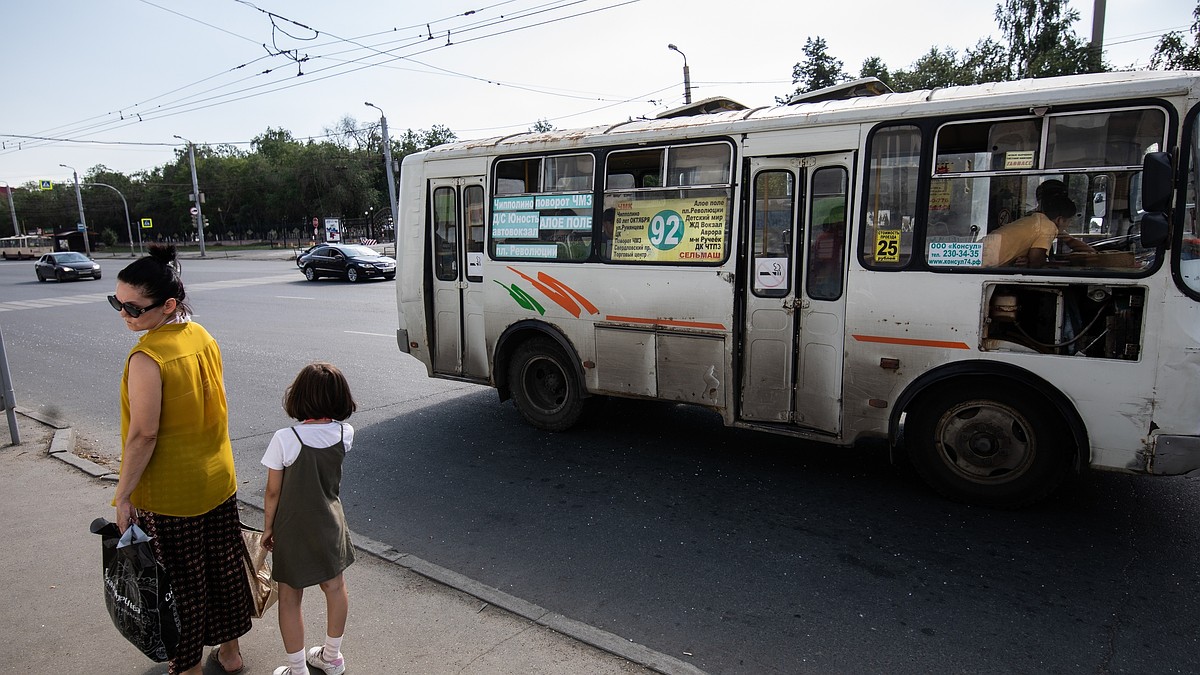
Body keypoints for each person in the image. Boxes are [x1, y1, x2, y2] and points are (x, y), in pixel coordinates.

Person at [111, 244, 251, 675]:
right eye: (115, 303)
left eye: (133, 308)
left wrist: (122, 495)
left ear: (168, 304)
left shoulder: (147, 357)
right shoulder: (202, 336)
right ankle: (230, 655)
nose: (123, 314)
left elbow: (144, 434)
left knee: (181, 587)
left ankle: (186, 667)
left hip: (172, 494)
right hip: (218, 478)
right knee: (224, 569)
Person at [261, 362, 358, 675]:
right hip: (331, 522)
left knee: (290, 596)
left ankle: (297, 668)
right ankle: (332, 657)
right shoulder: (345, 432)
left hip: (293, 527)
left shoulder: (285, 438)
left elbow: (273, 492)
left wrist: (268, 529)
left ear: (299, 396)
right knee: (335, 587)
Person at [985, 194, 1094, 267]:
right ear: (1060, 220)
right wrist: (1065, 264)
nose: (1068, 225)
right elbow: (1036, 262)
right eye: (1068, 221)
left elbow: (1090, 252)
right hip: (984, 268)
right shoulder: (1048, 227)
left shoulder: (1037, 221)